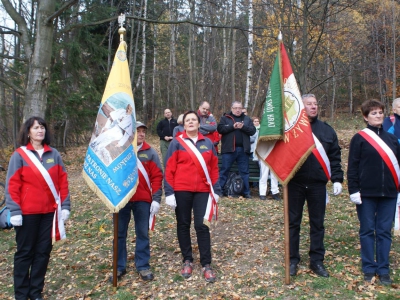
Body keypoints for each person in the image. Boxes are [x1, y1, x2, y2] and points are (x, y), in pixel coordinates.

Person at [5, 116, 70, 300]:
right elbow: (12, 185)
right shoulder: (19, 155)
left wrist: (65, 206)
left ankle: (35, 292)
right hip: (26, 215)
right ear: (28, 132)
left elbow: (63, 182)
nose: (40, 130)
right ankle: (21, 294)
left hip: (49, 214)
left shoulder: (54, 154)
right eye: (35, 128)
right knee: (25, 253)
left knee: (43, 253)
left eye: (42, 127)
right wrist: (15, 211)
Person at [289, 94, 343, 278]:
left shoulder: (327, 131)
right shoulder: (291, 130)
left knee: (317, 224)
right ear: (301, 107)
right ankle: (292, 259)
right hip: (294, 183)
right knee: (292, 223)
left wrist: (337, 179)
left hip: (318, 184)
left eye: (315, 104)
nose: (313, 107)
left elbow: (335, 157)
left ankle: (316, 260)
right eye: (309, 104)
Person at [164, 110, 221, 283]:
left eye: (193, 120)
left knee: (202, 226)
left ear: (199, 123)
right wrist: (169, 192)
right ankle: (187, 259)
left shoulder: (208, 143)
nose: (190, 122)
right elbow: (169, 168)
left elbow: (214, 169)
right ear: (184, 124)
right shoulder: (176, 143)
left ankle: (206, 264)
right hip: (181, 189)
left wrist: (216, 190)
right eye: (187, 120)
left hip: (203, 190)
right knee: (183, 224)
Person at [348, 99, 400, 285]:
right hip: (366, 193)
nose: (378, 116)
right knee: (367, 230)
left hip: (389, 193)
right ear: (365, 117)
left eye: (380, 112)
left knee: (384, 231)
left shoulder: (392, 139)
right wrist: (353, 189)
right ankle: (369, 267)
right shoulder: (359, 138)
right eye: (373, 113)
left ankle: (383, 269)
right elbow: (353, 167)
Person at [111, 122, 163, 282]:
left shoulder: (150, 152)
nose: (141, 134)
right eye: (137, 131)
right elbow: (111, 174)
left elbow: (157, 176)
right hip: (122, 200)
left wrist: (156, 199)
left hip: (143, 200)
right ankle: (119, 266)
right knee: (119, 234)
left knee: (142, 233)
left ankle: (143, 265)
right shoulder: (119, 151)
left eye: (143, 131)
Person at [217, 101, 256, 198]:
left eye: (240, 108)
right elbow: (220, 129)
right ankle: (220, 190)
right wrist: (232, 127)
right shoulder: (225, 118)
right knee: (224, 170)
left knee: (244, 172)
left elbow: (253, 131)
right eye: (235, 108)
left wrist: (243, 127)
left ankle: (246, 192)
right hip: (229, 150)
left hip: (243, 150)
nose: (238, 110)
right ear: (232, 108)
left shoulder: (247, 119)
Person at [250, 116, 280, 201]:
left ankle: (275, 192)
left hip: (274, 155)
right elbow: (256, 144)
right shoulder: (261, 131)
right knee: (264, 175)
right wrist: (256, 157)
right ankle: (262, 193)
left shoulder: (276, 131)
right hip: (263, 156)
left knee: (274, 175)